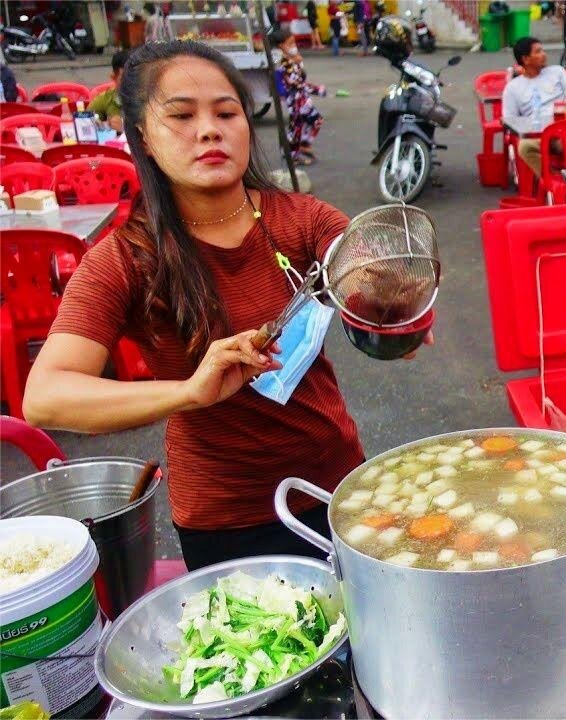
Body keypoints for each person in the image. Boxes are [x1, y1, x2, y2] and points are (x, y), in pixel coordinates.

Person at [21, 41, 384, 571]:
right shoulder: (127, 259)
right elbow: (46, 397)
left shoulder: (302, 219)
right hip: (227, 518)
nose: (209, 130)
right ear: (142, 137)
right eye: (182, 116)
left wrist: (391, 300)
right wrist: (190, 392)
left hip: (339, 486)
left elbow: (367, 263)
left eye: (226, 112)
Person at [501, 36, 566, 178]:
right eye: (538, 51)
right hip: (540, 136)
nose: (544, 54)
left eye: (543, 50)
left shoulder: (557, 72)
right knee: (524, 147)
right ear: (526, 59)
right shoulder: (513, 88)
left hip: (565, 130)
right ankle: (553, 180)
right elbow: (510, 120)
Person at [270, 27, 326, 164]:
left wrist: (298, 61)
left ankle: (304, 145)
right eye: (290, 43)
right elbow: (297, 83)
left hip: (303, 100)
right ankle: (292, 157)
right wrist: (317, 89)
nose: (294, 46)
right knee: (295, 130)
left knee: (317, 121)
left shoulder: (293, 60)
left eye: (294, 42)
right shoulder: (284, 64)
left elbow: (301, 78)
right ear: (282, 46)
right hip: (295, 102)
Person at [88, 49, 130, 132]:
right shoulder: (106, 98)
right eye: (125, 78)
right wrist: (105, 125)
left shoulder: (151, 98)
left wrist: (126, 128)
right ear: (113, 77)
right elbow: (84, 123)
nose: (132, 83)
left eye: (136, 77)